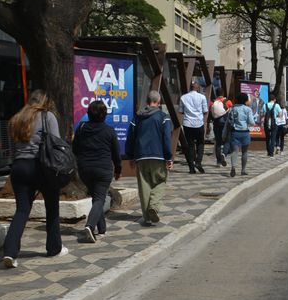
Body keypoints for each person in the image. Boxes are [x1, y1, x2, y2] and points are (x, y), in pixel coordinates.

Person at [1, 89, 66, 269]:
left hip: (19, 167)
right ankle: (54, 248)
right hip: (41, 167)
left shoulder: (16, 119)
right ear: (45, 101)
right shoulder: (47, 117)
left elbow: (12, 149)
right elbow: (56, 142)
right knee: (52, 207)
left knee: (22, 210)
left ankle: (10, 252)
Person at [72, 100, 121, 243]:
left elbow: (75, 149)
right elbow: (116, 154)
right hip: (103, 169)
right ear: (105, 115)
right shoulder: (109, 131)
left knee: (96, 196)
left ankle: (102, 228)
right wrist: (118, 170)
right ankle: (90, 225)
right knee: (100, 198)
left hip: (85, 169)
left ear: (88, 114)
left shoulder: (81, 128)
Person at [126, 91, 174, 226]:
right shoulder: (163, 117)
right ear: (158, 102)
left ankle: (147, 216)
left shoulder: (137, 117)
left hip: (141, 156)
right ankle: (154, 205)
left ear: (147, 101)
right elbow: (166, 139)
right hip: (158, 156)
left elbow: (130, 137)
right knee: (161, 180)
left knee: (144, 185)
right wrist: (168, 157)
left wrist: (130, 156)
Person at [179, 81, 209, 174]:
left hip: (187, 124)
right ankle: (198, 162)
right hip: (199, 123)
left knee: (190, 145)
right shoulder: (202, 97)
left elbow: (181, 111)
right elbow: (205, 111)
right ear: (198, 88)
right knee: (200, 143)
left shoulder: (183, 97)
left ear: (190, 88)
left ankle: (191, 168)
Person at [225, 92, 256, 177]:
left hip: (235, 132)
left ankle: (233, 167)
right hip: (245, 132)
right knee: (245, 152)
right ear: (245, 100)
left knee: (234, 151)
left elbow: (228, 122)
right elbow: (252, 122)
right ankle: (243, 170)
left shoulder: (232, 108)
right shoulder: (248, 109)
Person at [210, 93, 231, 167]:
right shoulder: (228, 101)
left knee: (218, 142)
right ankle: (224, 154)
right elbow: (231, 112)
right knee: (227, 140)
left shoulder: (213, 103)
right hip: (225, 124)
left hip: (216, 124)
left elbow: (211, 114)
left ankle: (218, 162)